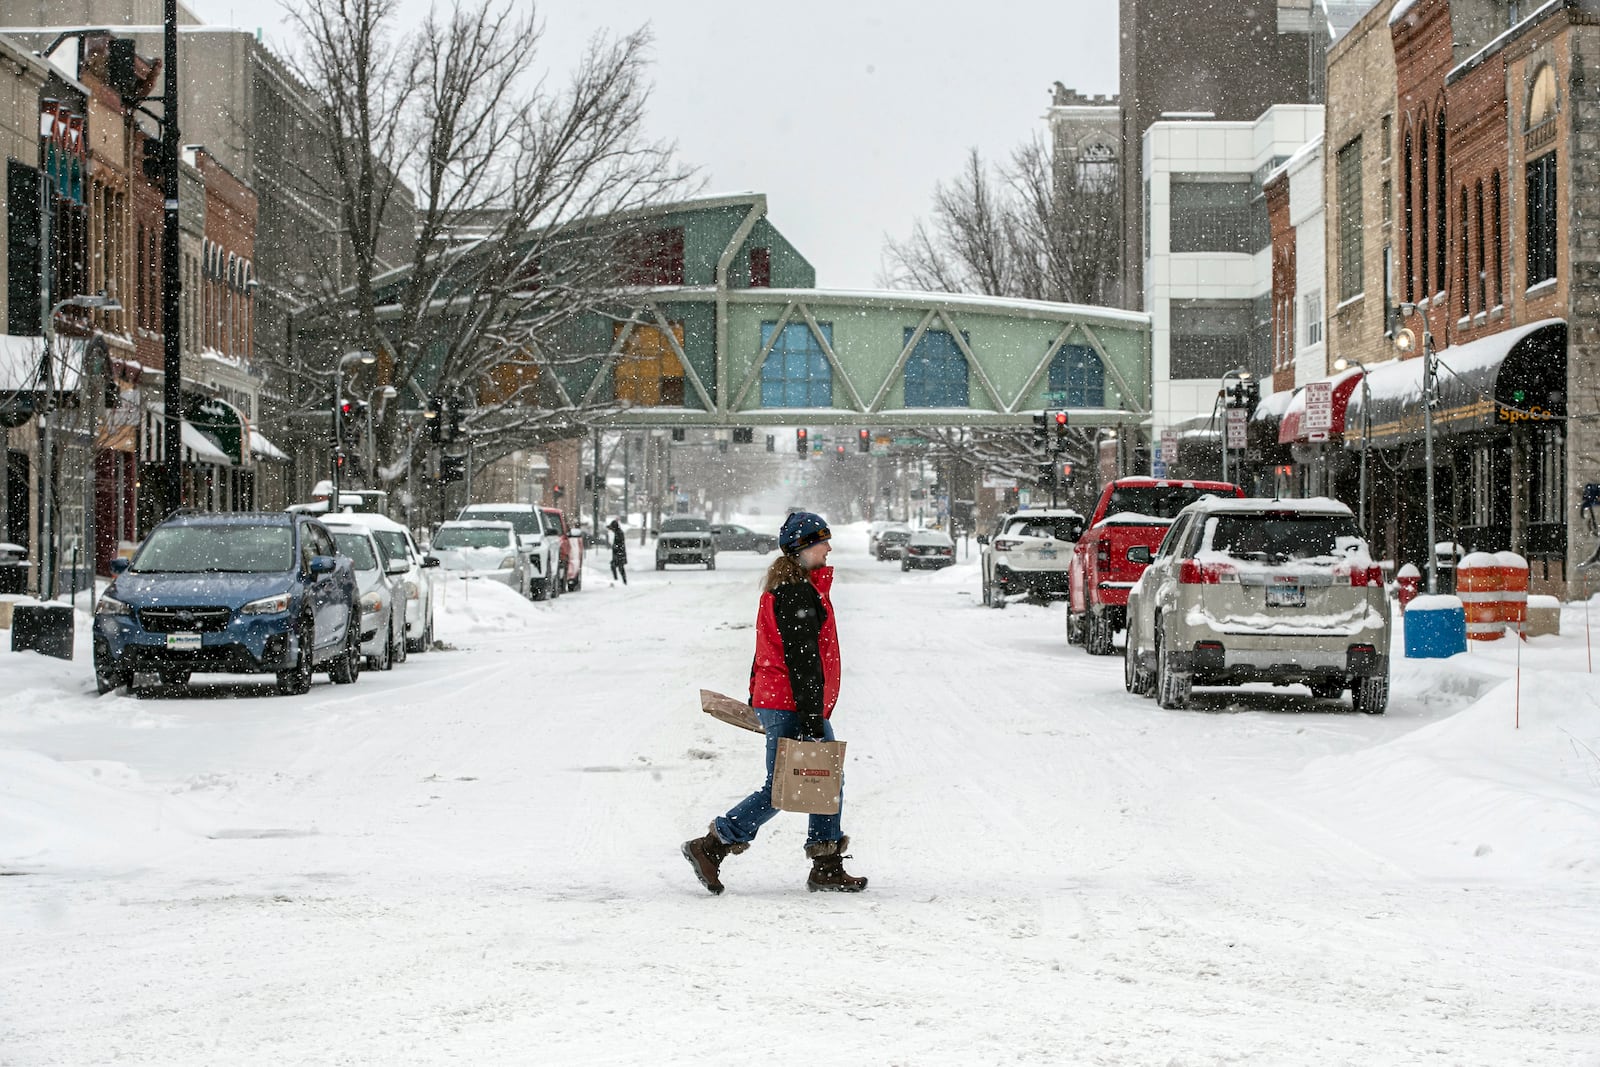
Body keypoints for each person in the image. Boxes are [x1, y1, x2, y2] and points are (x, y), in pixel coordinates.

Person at [681, 511, 867, 895]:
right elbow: (802, 663)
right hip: (793, 704)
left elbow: (768, 652)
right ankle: (713, 844)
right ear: (802, 548)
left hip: (783, 702)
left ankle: (826, 863)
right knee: (786, 785)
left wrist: (759, 695)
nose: (829, 548)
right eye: (822, 542)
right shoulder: (796, 593)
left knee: (817, 778)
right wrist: (810, 719)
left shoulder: (788, 588)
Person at [608, 518, 628, 585]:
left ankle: (620, 580)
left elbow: (620, 544)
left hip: (619, 554)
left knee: (619, 567)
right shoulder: (618, 532)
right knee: (617, 567)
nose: (612, 530)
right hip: (618, 554)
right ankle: (621, 580)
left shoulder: (619, 533)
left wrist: (615, 547)